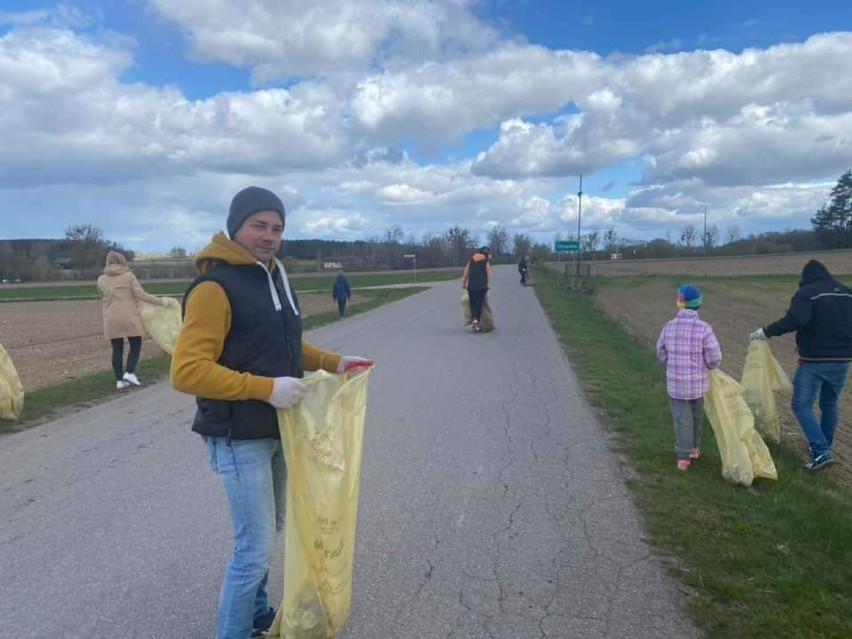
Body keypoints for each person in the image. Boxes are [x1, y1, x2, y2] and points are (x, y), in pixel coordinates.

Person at [170, 186, 373, 639]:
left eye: (277, 228)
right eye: (258, 226)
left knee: (270, 532)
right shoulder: (214, 287)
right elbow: (186, 372)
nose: (268, 236)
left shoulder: (275, 274)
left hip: (279, 428)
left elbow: (284, 346)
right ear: (235, 226)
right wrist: (265, 389)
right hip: (236, 435)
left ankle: (257, 611)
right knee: (254, 548)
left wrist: (334, 362)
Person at [751, 259, 852, 471]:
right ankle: (824, 448)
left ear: (806, 278)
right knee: (829, 403)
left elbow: (795, 319)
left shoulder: (808, 293)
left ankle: (821, 450)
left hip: (814, 360)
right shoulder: (847, 292)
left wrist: (766, 331)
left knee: (801, 404)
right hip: (843, 360)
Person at [656, 284, 722, 471]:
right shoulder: (704, 328)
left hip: (676, 384)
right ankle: (693, 448)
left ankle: (683, 457)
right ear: (698, 304)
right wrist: (709, 365)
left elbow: (660, 351)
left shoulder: (669, 327)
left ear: (679, 303)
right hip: (697, 384)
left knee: (681, 419)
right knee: (696, 416)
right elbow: (715, 356)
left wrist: (669, 362)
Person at [97, 250, 169, 390]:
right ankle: (129, 372)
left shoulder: (101, 279)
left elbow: (101, 296)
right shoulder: (128, 276)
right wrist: (160, 302)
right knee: (135, 344)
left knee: (117, 348)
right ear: (122, 261)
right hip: (129, 316)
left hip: (111, 318)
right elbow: (140, 294)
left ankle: (119, 380)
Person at [461, 246, 491, 333]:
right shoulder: (486, 262)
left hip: (471, 287)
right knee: (479, 304)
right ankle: (477, 322)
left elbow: (465, 274)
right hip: (481, 287)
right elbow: (488, 276)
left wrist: (463, 285)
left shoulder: (471, 261)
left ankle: (474, 319)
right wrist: (486, 284)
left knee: (472, 304)